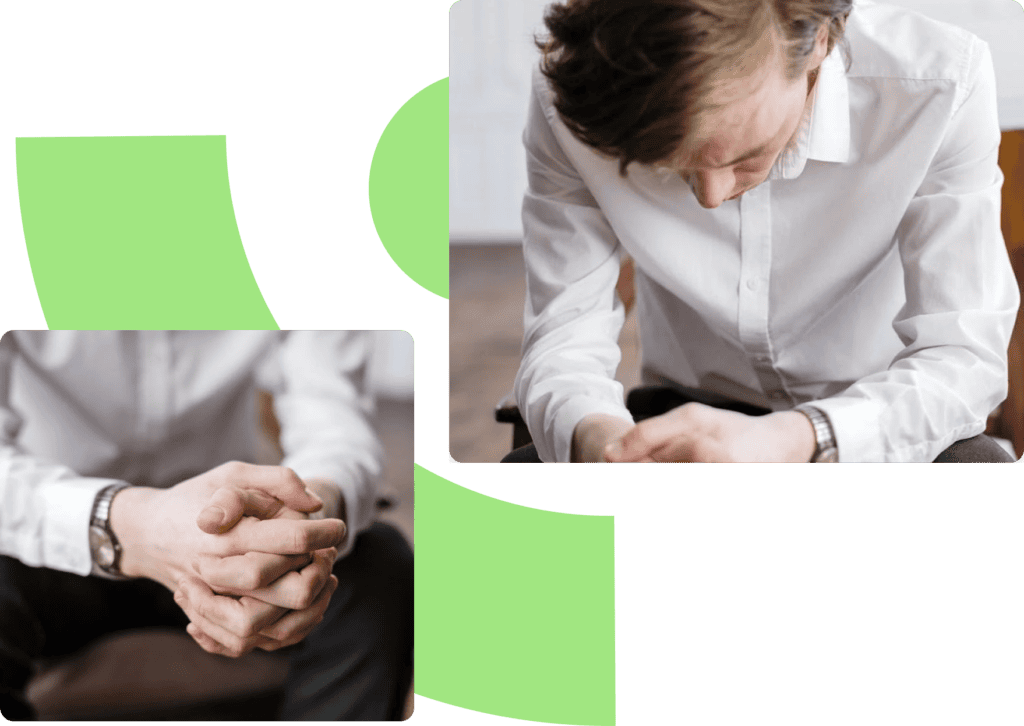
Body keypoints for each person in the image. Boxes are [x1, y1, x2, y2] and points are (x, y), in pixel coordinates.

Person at [504, 0, 1020, 463]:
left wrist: (801, 438)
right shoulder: (573, 100)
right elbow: (562, 338)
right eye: (673, 165)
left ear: (819, 39)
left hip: (877, 419)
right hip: (675, 415)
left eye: (747, 155)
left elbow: (963, 357)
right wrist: (598, 439)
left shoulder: (940, 85)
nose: (711, 196)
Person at [0, 330, 413, 721]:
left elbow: (334, 419)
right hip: (55, 534)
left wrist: (303, 518)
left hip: (227, 537)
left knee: (378, 567)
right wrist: (130, 524)